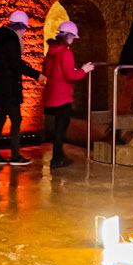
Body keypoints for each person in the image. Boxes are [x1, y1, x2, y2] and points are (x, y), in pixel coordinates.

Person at [0, 9, 40, 168]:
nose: (24, 33)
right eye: (24, 29)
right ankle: (15, 155)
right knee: (16, 120)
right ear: (20, 26)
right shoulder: (11, 41)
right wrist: (36, 75)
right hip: (9, 90)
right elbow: (16, 65)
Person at [41, 19, 86, 169]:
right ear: (68, 36)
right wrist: (84, 70)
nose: (73, 40)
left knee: (59, 126)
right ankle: (57, 157)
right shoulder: (66, 53)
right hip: (62, 96)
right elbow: (70, 75)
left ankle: (58, 155)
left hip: (51, 95)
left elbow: (46, 72)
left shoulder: (51, 52)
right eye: (73, 37)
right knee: (61, 127)